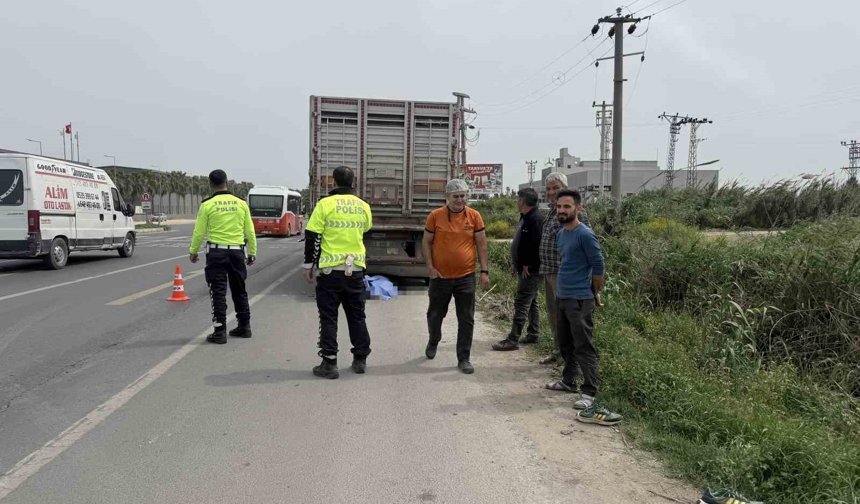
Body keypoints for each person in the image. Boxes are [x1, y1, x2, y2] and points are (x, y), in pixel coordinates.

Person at [548, 189, 621, 426]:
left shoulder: (585, 235)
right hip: (563, 297)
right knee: (565, 343)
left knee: (584, 346)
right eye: (559, 207)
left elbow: (598, 267)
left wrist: (594, 292)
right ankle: (568, 380)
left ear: (578, 208)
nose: (561, 210)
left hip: (580, 300)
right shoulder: (561, 234)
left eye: (566, 207)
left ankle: (589, 392)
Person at [303, 165, 373, 380]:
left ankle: (329, 363)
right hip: (355, 271)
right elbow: (366, 230)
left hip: (330, 273)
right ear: (353, 183)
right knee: (357, 315)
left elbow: (312, 235)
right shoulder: (363, 206)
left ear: (333, 182)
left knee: (329, 317)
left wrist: (309, 265)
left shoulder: (325, 204)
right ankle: (360, 359)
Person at [422, 179, 490, 374]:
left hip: (466, 276)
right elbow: (426, 242)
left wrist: (484, 271)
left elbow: (482, 245)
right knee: (435, 315)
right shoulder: (435, 217)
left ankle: (464, 358)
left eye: (463, 196)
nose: (460, 200)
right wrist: (429, 267)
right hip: (440, 277)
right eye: (456, 196)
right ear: (447, 197)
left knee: (466, 318)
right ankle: (434, 339)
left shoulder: (475, 216)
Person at [189, 169, 257, 344]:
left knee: (218, 292)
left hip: (216, 254)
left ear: (211, 184)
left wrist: (193, 251)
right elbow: (250, 230)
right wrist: (252, 252)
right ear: (227, 182)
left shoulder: (207, 205)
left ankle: (220, 331)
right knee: (239, 290)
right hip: (237, 252)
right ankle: (245, 326)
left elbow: (199, 231)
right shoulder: (241, 204)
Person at [537, 173, 591, 365]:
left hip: (565, 273)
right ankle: (558, 351)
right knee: (554, 316)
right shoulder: (553, 210)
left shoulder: (576, 211)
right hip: (549, 270)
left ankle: (572, 359)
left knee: (569, 318)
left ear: (565, 188)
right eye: (549, 189)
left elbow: (587, 242)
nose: (552, 192)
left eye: (556, 188)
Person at [492, 187, 542, 351]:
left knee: (522, 301)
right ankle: (533, 334)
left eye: (518, 199)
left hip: (531, 269)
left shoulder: (535, 219)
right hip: (524, 267)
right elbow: (521, 244)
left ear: (522, 201)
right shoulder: (525, 217)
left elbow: (536, 245)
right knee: (532, 301)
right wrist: (516, 264)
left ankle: (513, 339)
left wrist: (527, 264)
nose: (516, 202)